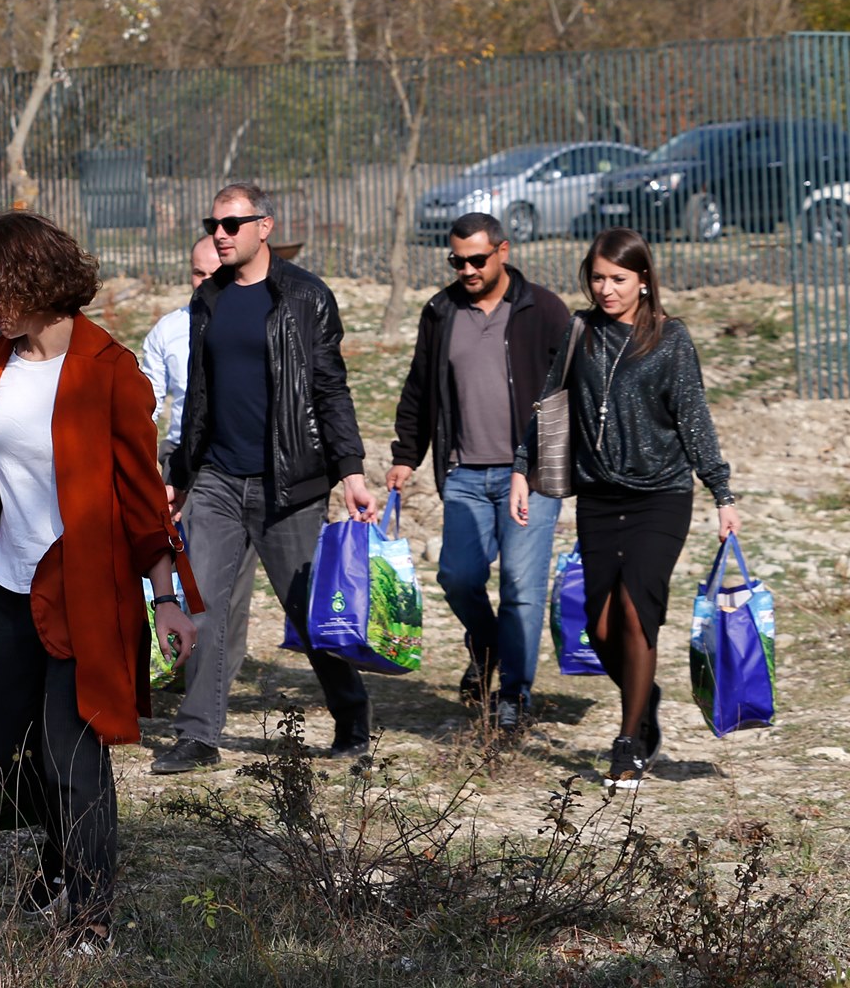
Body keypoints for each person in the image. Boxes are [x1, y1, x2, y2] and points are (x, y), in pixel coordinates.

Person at [0, 213, 201, 952]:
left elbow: (143, 501)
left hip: (85, 591)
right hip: (5, 582)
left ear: (35, 280)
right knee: (10, 746)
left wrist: (167, 597)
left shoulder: (109, 371)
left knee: (72, 751)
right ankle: (57, 863)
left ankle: (91, 914)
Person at [153, 183, 380, 773]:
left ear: (265, 226)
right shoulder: (209, 299)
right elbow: (197, 397)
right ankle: (198, 734)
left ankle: (351, 714)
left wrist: (351, 472)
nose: (220, 234)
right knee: (204, 604)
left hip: (289, 484)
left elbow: (330, 388)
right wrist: (181, 474)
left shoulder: (305, 296)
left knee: (306, 610)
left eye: (232, 224)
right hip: (218, 480)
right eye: (213, 225)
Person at [512, 228, 741, 791]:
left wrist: (722, 493)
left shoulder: (669, 338)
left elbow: (693, 418)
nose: (606, 288)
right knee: (599, 625)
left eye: (618, 278)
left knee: (638, 611)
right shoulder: (579, 331)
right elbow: (550, 403)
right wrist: (522, 467)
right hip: (598, 495)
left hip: (660, 496)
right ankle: (645, 697)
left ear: (642, 280)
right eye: (597, 278)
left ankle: (628, 739)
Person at [387, 211, 571, 734]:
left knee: (520, 586)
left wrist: (556, 461)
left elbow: (571, 389)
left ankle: (514, 695)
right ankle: (488, 643)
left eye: (477, 260)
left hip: (530, 477)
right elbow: (420, 388)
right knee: (458, 576)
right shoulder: (440, 311)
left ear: (503, 252)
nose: (466, 270)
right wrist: (405, 455)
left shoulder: (544, 310)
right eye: (457, 260)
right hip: (464, 472)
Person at [138, 234, 223, 463]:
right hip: (182, 452)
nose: (206, 283)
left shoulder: (256, 324)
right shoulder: (168, 329)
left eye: (216, 274)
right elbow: (148, 403)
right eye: (199, 274)